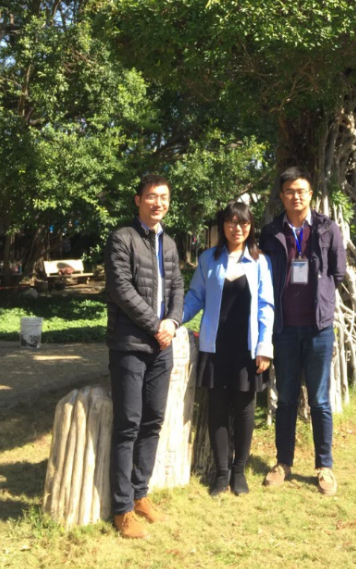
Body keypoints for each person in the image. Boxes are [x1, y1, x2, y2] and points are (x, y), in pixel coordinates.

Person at [105, 174, 184, 539]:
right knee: (128, 424)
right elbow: (121, 289)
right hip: (130, 346)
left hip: (161, 347)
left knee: (152, 421)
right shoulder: (122, 238)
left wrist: (173, 322)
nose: (158, 203)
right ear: (138, 200)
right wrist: (156, 325)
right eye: (151, 196)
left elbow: (178, 285)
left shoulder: (169, 243)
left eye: (163, 197)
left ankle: (140, 495)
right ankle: (121, 508)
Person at [259, 167, 346, 497]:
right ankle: (283, 463)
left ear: (311, 194)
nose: (296, 196)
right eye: (289, 191)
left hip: (318, 329)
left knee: (320, 400)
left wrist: (322, 300)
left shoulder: (327, 228)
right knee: (286, 399)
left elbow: (338, 272)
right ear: (282, 196)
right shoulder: (271, 232)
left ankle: (324, 466)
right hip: (284, 328)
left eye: (301, 191)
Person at [183, 200, 274, 496]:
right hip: (215, 345)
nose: (237, 228)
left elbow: (266, 306)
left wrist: (265, 346)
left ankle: (239, 471)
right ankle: (221, 473)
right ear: (223, 225)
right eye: (232, 222)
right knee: (218, 408)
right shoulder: (208, 259)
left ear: (251, 227)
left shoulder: (260, 262)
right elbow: (195, 296)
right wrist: (173, 319)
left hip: (247, 347)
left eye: (244, 223)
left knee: (245, 409)